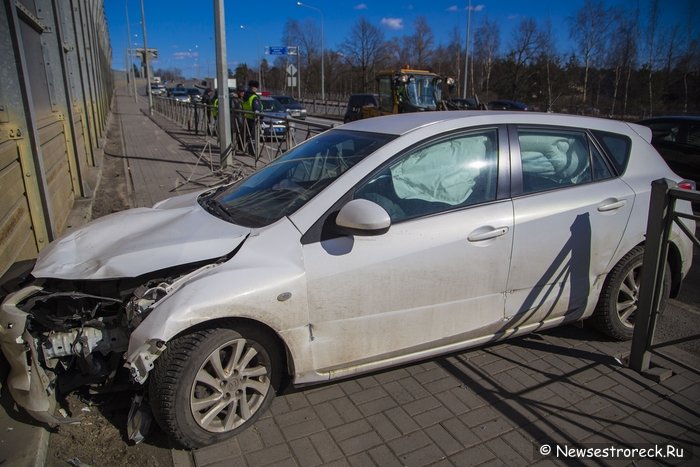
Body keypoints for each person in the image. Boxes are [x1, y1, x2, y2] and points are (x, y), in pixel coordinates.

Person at [241, 80, 261, 154]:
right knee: (254, 137)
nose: (256, 89)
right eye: (256, 88)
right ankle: (253, 153)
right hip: (254, 119)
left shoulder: (245, 96)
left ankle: (248, 150)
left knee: (248, 136)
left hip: (247, 118)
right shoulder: (254, 97)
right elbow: (257, 109)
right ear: (254, 88)